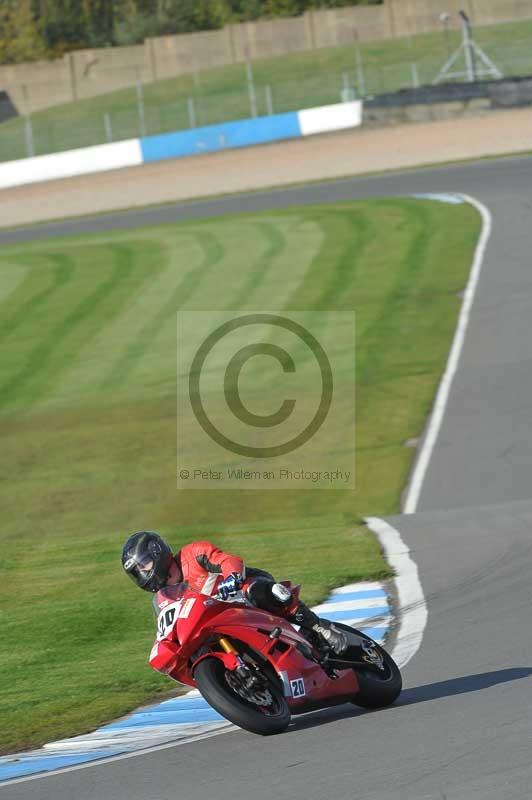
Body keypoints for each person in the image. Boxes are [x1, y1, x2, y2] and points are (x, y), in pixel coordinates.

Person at [121, 530, 347, 655]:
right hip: (218, 622)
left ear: (157, 552)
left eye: (144, 566)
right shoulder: (165, 596)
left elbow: (228, 560)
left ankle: (320, 628)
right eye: (137, 572)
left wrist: (232, 577)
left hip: (241, 593)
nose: (143, 575)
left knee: (258, 591)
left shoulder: (193, 553)